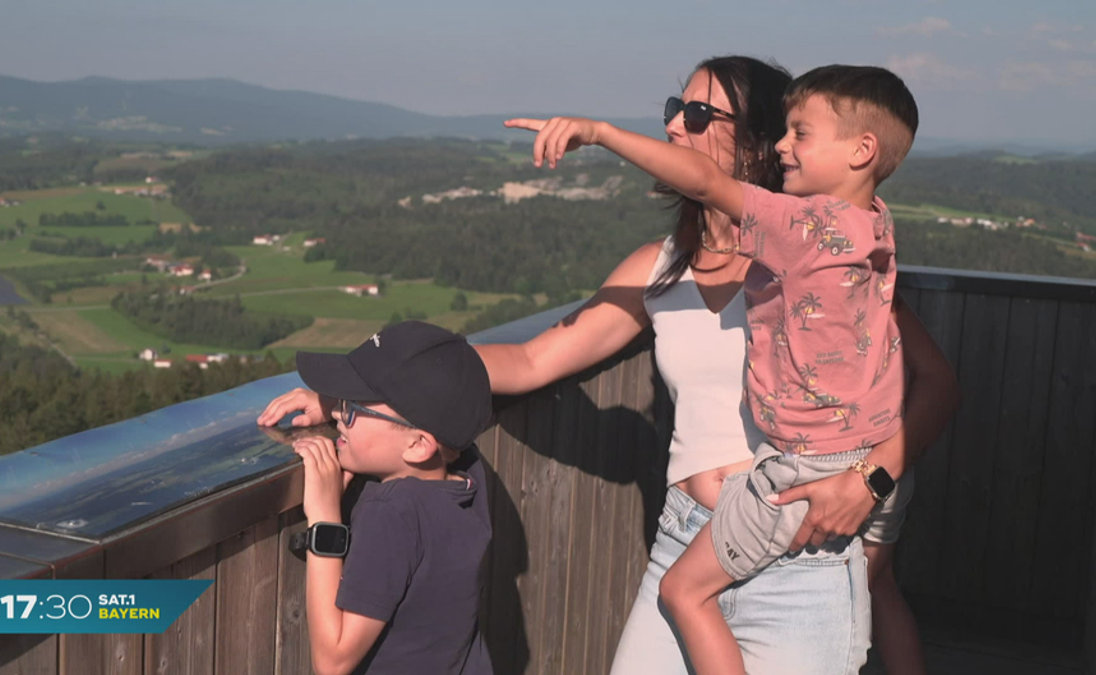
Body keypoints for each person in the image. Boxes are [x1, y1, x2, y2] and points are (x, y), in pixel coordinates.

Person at [484, 57, 957, 673]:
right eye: (673, 111)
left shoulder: (821, 263)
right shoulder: (660, 268)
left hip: (800, 560)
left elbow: (936, 386)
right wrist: (381, 381)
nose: (676, 126)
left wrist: (870, 481)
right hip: (686, 540)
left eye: (700, 114)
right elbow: (527, 360)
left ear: (761, 142)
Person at [271, 321, 494, 675]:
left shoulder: (394, 513)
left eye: (354, 408)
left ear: (420, 445)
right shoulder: (467, 473)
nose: (341, 416)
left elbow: (332, 661)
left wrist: (325, 518)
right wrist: (331, 403)